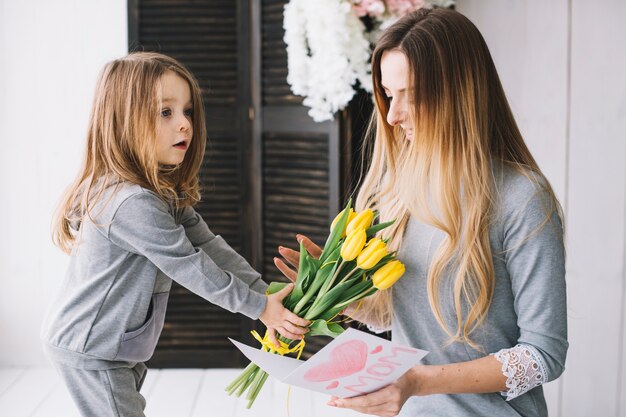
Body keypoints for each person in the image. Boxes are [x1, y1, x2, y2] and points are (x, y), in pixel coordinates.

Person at [275, 7, 567, 417]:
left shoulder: (522, 199)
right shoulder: (395, 193)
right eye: (389, 95)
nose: (392, 116)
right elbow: (396, 314)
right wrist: (332, 293)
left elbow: (543, 355)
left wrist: (419, 381)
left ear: (458, 93)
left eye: (410, 95)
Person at [42, 52, 309, 417]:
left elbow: (210, 247)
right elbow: (189, 264)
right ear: (123, 121)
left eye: (188, 111)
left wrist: (267, 296)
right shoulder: (131, 203)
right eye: (165, 112)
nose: (184, 124)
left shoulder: (156, 194)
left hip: (113, 343)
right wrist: (259, 308)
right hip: (94, 347)